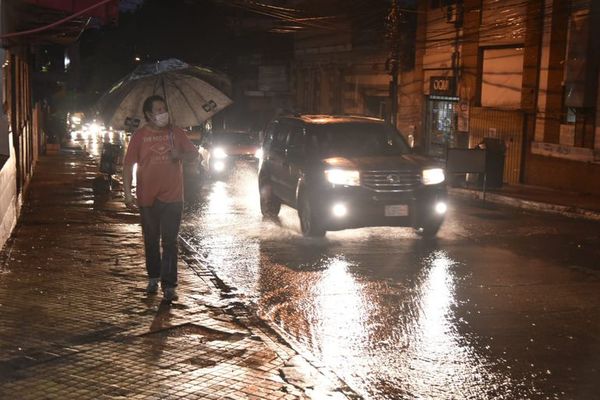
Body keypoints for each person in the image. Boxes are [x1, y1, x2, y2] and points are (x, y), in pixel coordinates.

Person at [123, 95, 198, 302]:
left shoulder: (177, 133)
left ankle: (169, 285)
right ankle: (154, 277)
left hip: (173, 197)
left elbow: (194, 155)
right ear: (148, 114)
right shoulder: (139, 136)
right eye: (158, 109)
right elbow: (128, 164)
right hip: (146, 197)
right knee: (151, 240)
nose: (163, 113)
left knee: (170, 242)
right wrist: (127, 192)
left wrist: (179, 155)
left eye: (164, 108)